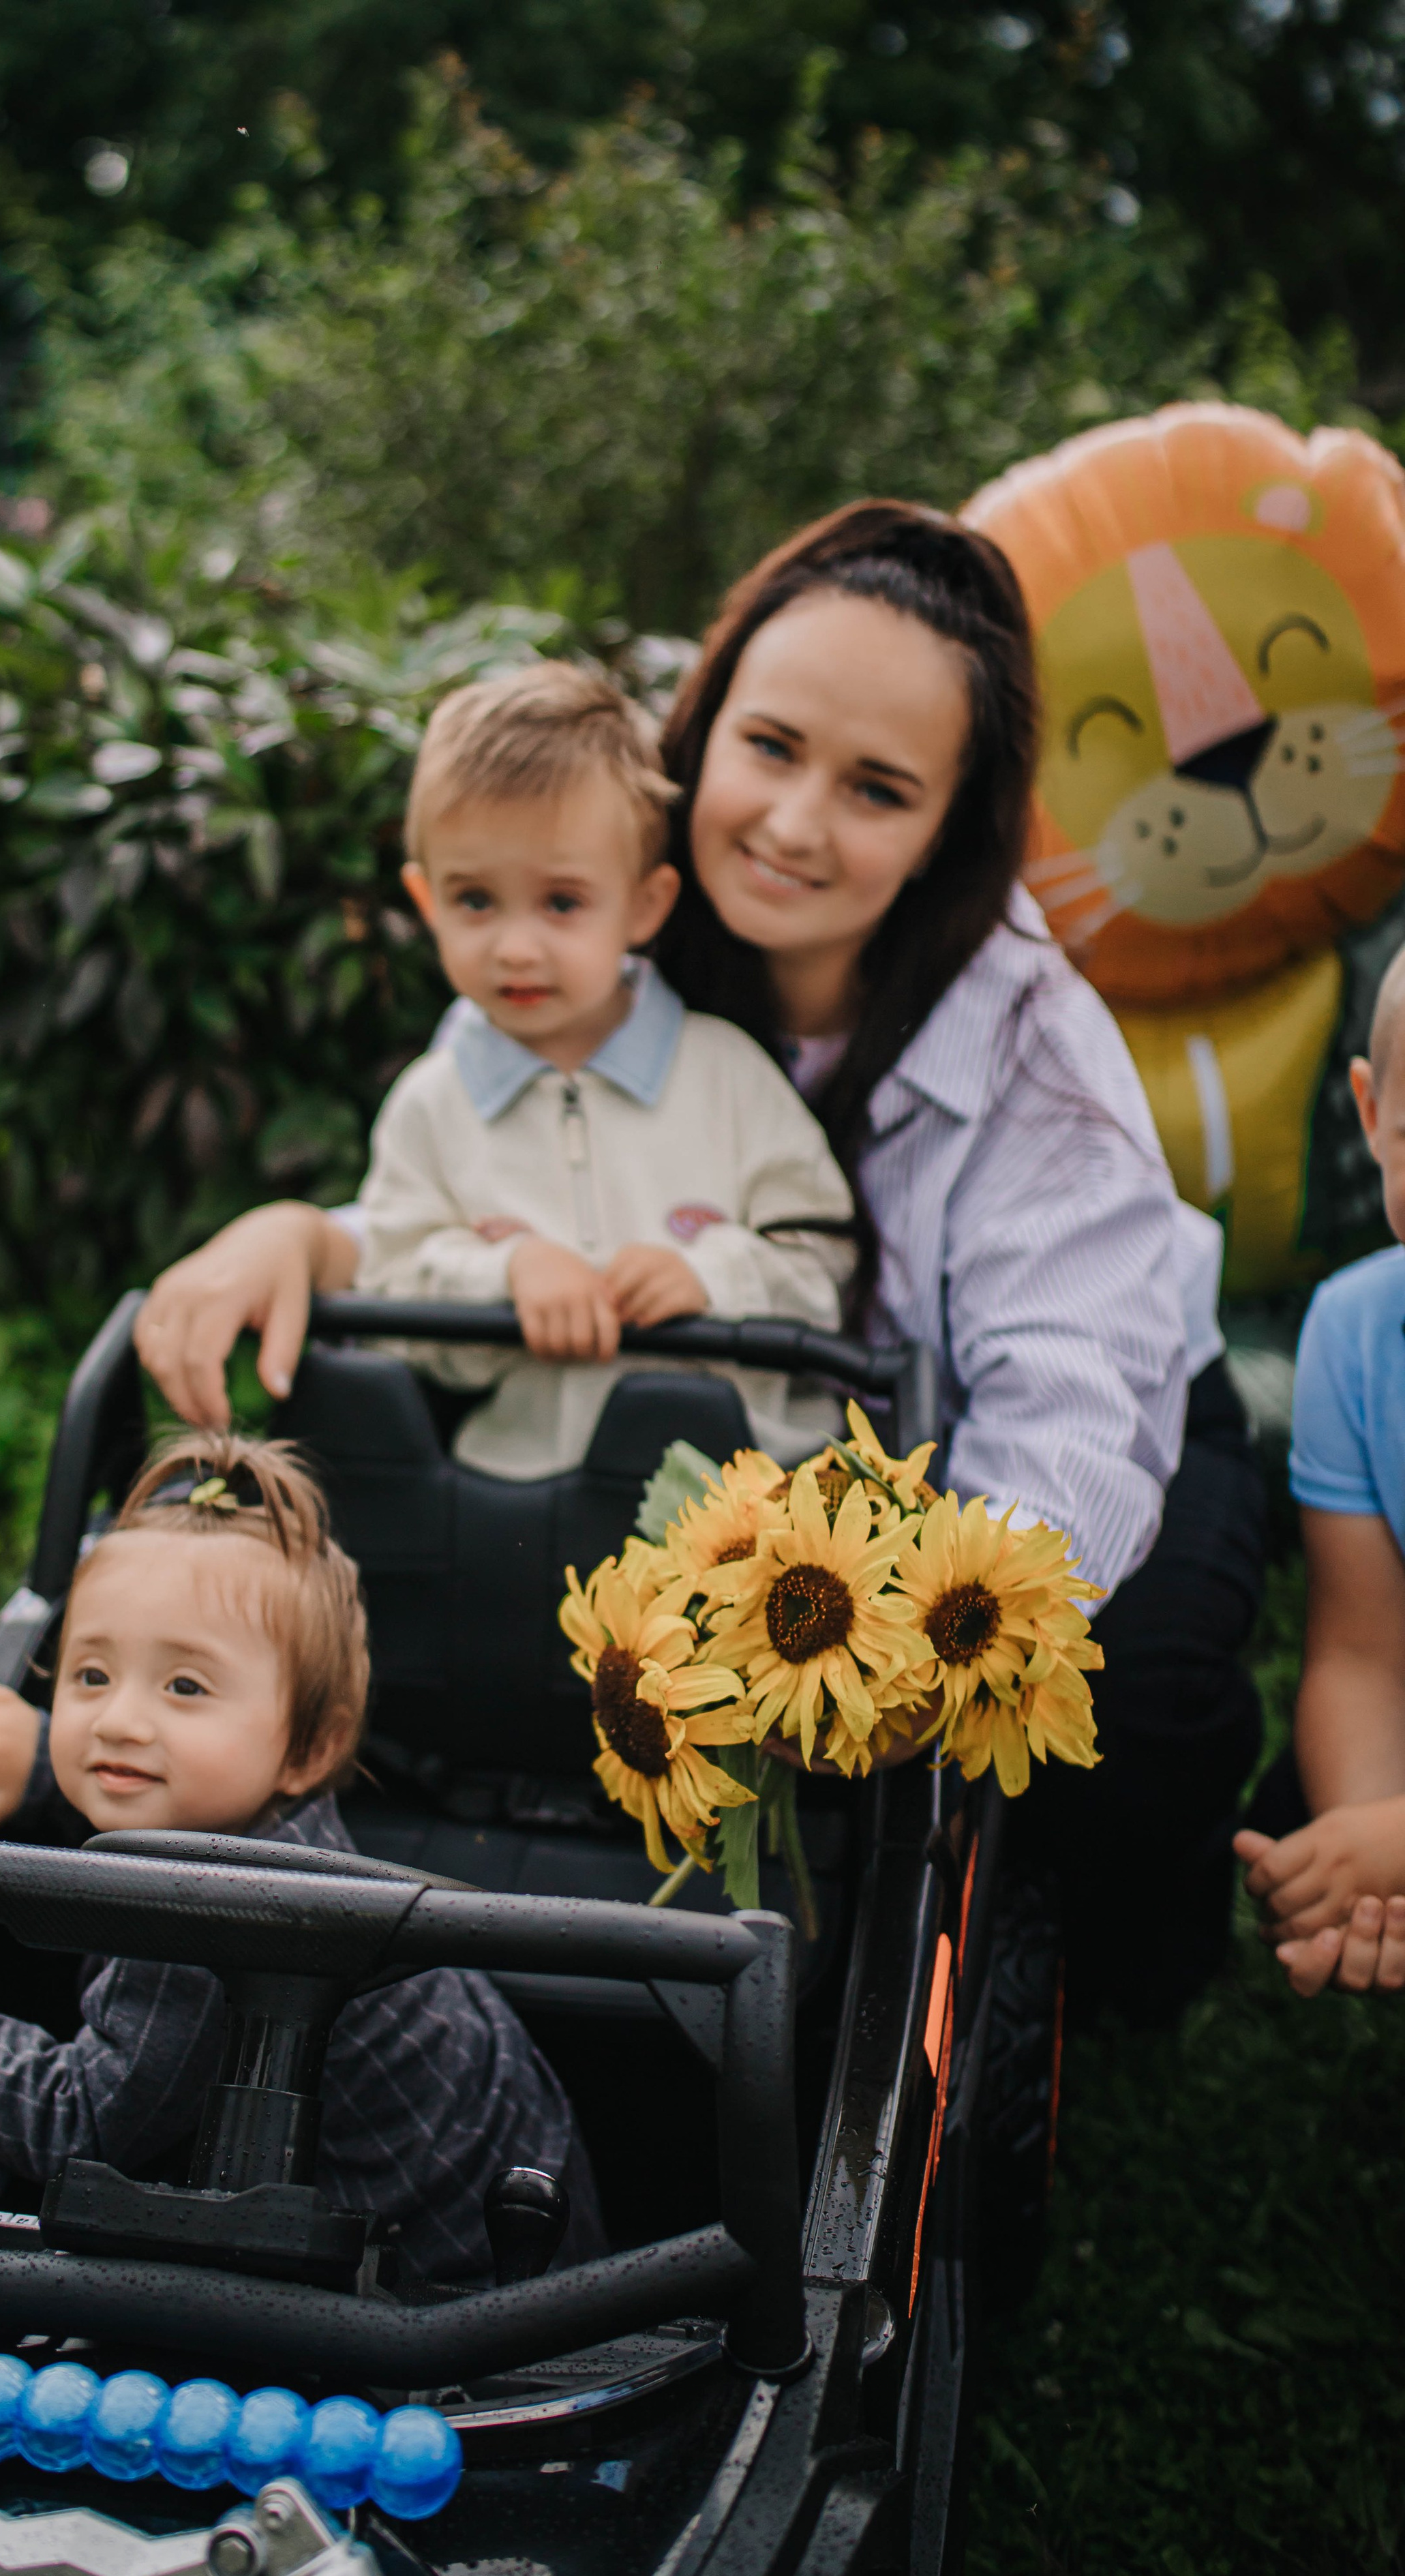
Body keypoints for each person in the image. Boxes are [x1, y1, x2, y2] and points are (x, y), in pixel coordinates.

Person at [134, 502, 1265, 2026]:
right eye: (771, 749)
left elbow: (1064, 1409)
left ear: (948, 821)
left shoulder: (1024, 1046)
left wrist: (916, 1642)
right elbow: (467, 1187)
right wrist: (303, 1233)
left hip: (1077, 1424)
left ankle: (1119, 1977)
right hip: (758, 1455)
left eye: (876, 789)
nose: (796, 824)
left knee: (1126, 1722)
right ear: (703, 727)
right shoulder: (603, 933)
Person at [0, 1434, 597, 2282]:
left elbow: (80, 2130)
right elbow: (171, 1774)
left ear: (308, 1746)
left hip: (440, 2304)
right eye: (91, 1677)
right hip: (528, 2180)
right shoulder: (259, 1811)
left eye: (184, 1688)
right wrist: (41, 1757)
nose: (120, 1723)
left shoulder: (218, 1910)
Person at [354, 661, 853, 1478]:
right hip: (522, 1501)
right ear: (426, 900)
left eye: (561, 903)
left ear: (644, 905)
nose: (515, 946)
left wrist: (707, 1274)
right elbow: (387, 1299)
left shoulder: (726, 1075)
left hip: (753, 1499)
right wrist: (507, 1273)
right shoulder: (431, 1106)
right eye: (475, 900)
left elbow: (826, 1261)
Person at [1236, 944, 1405, 1999]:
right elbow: (1361, 1651)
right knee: (1308, 1794)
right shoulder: (1353, 1331)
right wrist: (1363, 1845)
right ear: (1375, 1111)